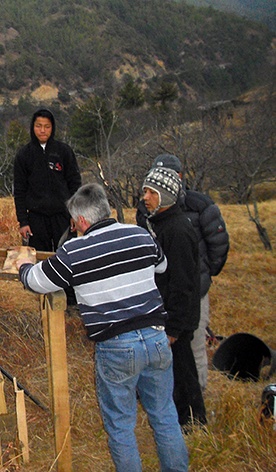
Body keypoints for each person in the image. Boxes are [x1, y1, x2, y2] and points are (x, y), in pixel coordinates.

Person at [16, 183, 189, 472]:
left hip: (117, 345)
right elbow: (161, 265)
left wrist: (23, 265)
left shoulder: (75, 250)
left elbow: (36, 281)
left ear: (81, 221)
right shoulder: (139, 234)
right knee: (164, 415)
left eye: (74, 223)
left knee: (121, 426)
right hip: (157, 338)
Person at [137, 154, 229, 392]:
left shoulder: (198, 207)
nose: (145, 196)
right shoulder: (150, 213)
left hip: (192, 292)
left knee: (193, 348)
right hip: (167, 296)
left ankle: (196, 403)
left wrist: (205, 275)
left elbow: (218, 244)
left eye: (152, 191)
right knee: (175, 355)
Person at [141, 166, 207, 429]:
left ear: (166, 196)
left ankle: (193, 422)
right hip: (168, 313)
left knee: (182, 370)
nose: (145, 197)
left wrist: (174, 327)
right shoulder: (161, 224)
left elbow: (182, 283)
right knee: (174, 369)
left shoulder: (177, 231)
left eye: (151, 192)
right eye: (145, 191)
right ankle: (182, 418)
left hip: (177, 317)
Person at [13, 107, 81, 252]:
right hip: (36, 219)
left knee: (66, 257)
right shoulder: (24, 155)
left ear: (52, 128)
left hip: (63, 217)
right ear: (33, 127)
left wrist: (75, 214)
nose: (42, 130)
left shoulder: (64, 152)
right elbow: (19, 191)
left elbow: (75, 185)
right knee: (39, 261)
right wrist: (23, 222)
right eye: (38, 126)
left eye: (47, 126)